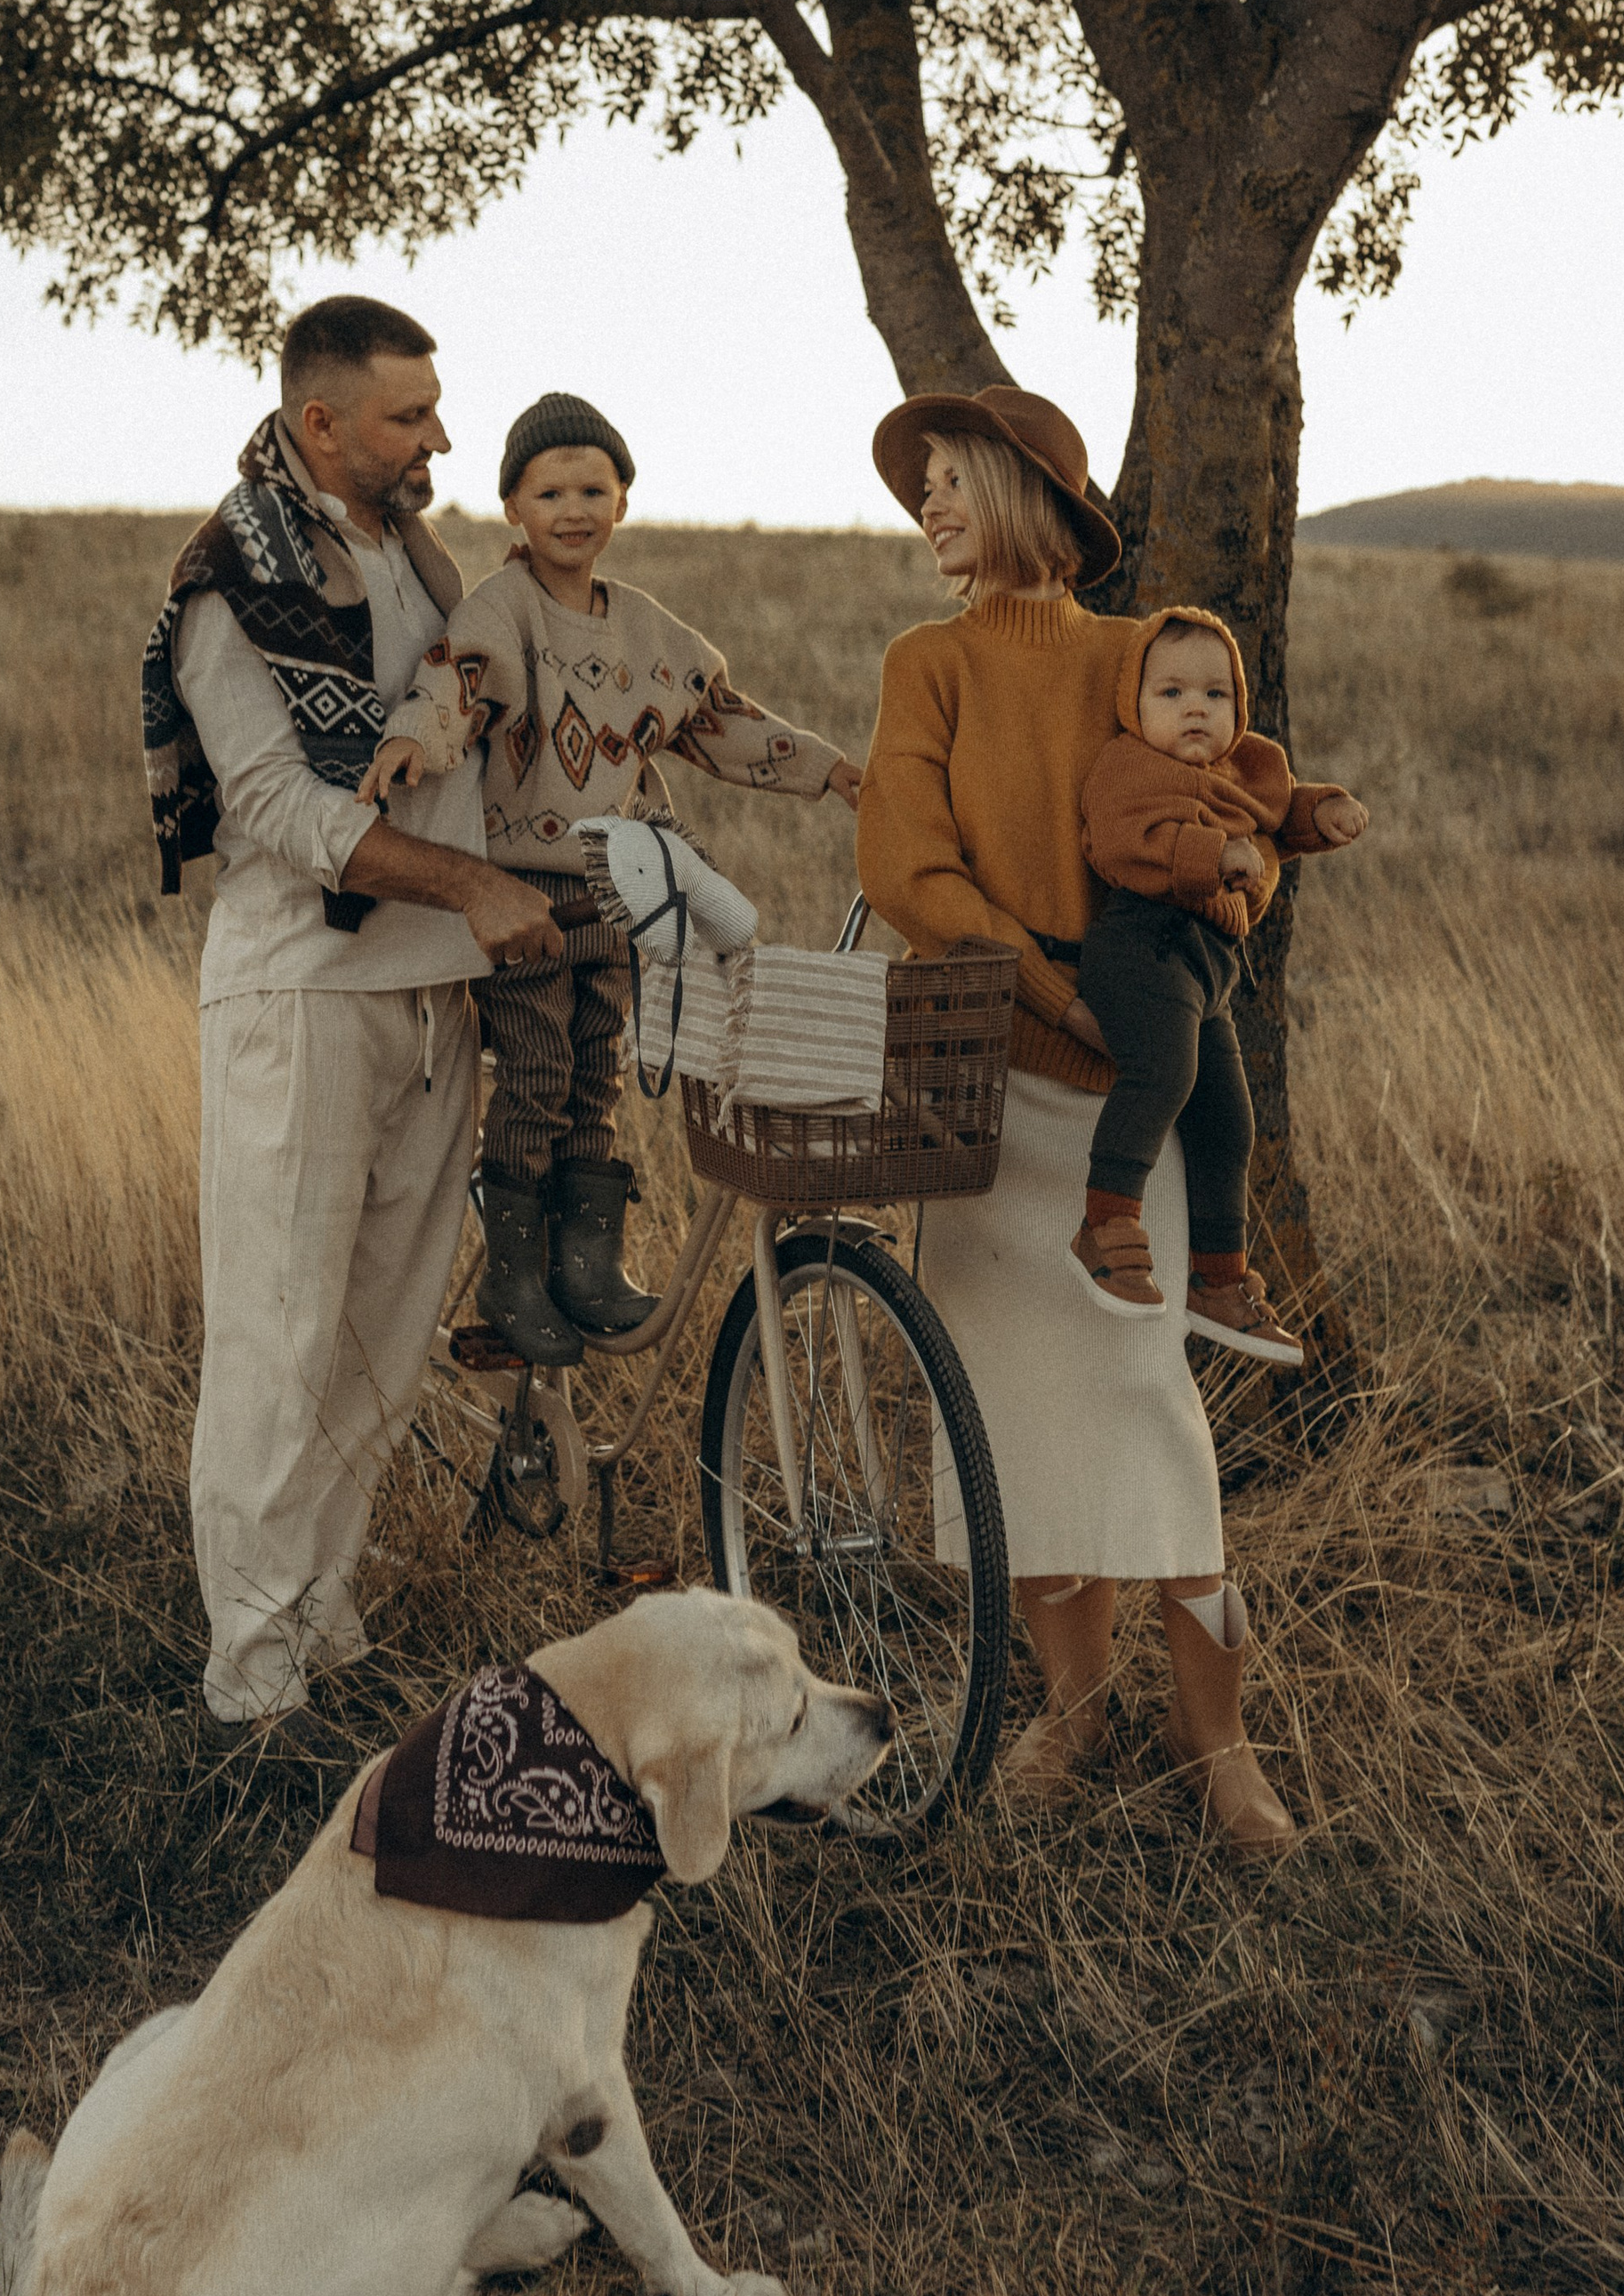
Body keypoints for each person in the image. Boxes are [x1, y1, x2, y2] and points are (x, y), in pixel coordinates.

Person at [853, 382, 1298, 1856]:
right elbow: (910, 866)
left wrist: (1234, 899)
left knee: (1144, 1409)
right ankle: (1076, 1707)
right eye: (920, 490)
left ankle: (1216, 1740)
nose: (929, 507)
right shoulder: (930, 664)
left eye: (950, 481)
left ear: (1025, 493)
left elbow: (1241, 816)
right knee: (1019, 1426)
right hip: (987, 1079)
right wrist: (1054, 986)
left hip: (1137, 1101)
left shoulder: (1138, 655)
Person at [139, 297, 566, 1738]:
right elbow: (273, 806)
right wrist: (469, 887)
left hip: (435, 994)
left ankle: (324, 1626)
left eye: (438, 406)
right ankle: (251, 1694)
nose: (441, 435)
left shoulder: (423, 561)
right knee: (280, 1339)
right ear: (323, 423)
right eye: (407, 415)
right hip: (303, 998)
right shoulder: (228, 580)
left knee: (381, 1344)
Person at [359, 391, 861, 1364]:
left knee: (596, 1071)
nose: (573, 508)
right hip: (522, 898)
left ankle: (586, 1269)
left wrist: (829, 770)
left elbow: (718, 721)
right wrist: (411, 742)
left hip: (615, 891)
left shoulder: (645, 632)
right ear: (513, 507)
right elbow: (451, 684)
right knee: (536, 1073)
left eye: (594, 486)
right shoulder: (503, 612)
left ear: (623, 501)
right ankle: (514, 1277)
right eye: (549, 491)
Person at [1073, 608, 1370, 1355]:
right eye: (1170, 694)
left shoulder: (1246, 768)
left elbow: (1274, 813)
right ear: (1134, 707)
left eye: (1215, 694)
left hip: (1207, 968)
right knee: (1163, 1073)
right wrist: (1209, 857)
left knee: (1229, 1120)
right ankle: (1105, 1225)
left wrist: (1321, 813)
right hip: (1140, 945)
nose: (1195, 708)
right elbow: (1120, 842)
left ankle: (1219, 1280)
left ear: (1239, 705)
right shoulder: (1128, 768)